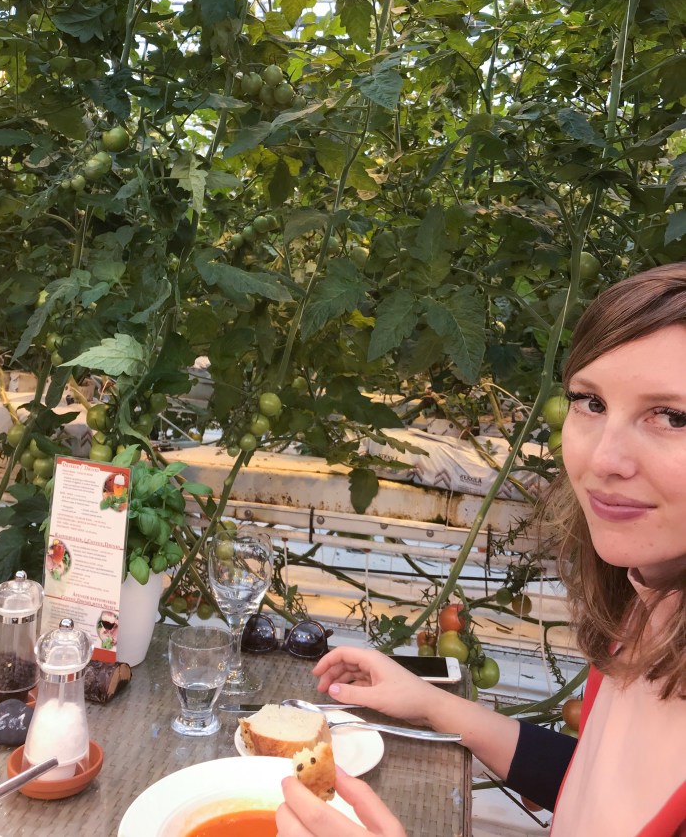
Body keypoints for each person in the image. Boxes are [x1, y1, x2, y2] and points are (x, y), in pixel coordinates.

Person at [277, 263, 686, 837]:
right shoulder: (642, 605)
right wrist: (433, 704)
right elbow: (594, 785)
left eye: (672, 416)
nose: (602, 459)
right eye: (591, 402)